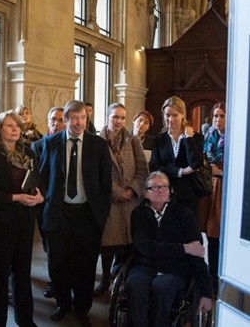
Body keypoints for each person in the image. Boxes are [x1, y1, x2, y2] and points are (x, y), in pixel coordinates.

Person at [38, 100, 112, 324]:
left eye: (83, 118)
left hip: (87, 214)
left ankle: (82, 307)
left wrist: (102, 214)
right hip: (58, 214)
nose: (79, 122)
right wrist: (44, 211)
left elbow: (105, 183)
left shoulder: (98, 145)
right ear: (66, 120)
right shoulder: (50, 144)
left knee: (86, 264)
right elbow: (42, 177)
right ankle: (63, 303)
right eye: (74, 118)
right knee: (57, 263)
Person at [0, 110, 44, 327]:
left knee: (22, 273)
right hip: (0, 224)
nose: (14, 129)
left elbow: (37, 182)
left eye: (16, 125)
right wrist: (16, 197)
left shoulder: (29, 153)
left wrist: (38, 196)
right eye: (9, 125)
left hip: (24, 221)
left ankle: (25, 320)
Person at [126, 171, 213, 326]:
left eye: (164, 187)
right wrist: (183, 248)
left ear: (170, 190)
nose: (160, 190)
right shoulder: (138, 214)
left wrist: (206, 293)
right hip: (145, 265)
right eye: (155, 187)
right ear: (145, 193)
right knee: (135, 284)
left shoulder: (185, 215)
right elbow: (145, 247)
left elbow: (196, 252)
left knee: (162, 287)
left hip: (175, 268)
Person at [94, 103, 148, 297]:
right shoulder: (97, 142)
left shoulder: (133, 141)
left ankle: (123, 280)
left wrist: (132, 190)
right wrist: (117, 192)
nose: (118, 121)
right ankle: (105, 279)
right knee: (107, 245)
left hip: (130, 202)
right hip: (110, 202)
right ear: (107, 117)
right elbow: (95, 175)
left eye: (122, 118)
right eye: (115, 117)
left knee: (128, 246)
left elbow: (142, 170)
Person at [30, 105, 65, 299]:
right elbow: (38, 177)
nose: (56, 123)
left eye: (60, 120)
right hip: (47, 204)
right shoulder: (38, 146)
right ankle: (55, 282)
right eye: (53, 119)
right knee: (51, 246)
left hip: (68, 204)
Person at [150, 96, 204, 217]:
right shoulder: (159, 139)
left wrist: (189, 138)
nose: (171, 119)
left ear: (183, 115)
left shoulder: (196, 137)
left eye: (175, 115)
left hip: (189, 195)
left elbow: (195, 164)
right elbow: (154, 167)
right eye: (167, 115)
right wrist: (181, 171)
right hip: (163, 194)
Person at [202, 102, 226, 295]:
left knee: (221, 232)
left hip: (225, 187)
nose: (218, 119)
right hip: (210, 187)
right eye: (216, 115)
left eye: (222, 116)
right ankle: (211, 275)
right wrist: (210, 168)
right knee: (211, 233)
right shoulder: (209, 135)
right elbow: (204, 159)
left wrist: (223, 170)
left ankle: (223, 274)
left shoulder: (234, 136)